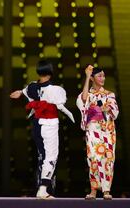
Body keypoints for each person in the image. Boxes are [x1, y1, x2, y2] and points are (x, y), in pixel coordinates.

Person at [10, 60, 74, 199]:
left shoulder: (32, 86)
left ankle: (41, 187)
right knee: (50, 157)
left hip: (37, 125)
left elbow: (25, 91)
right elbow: (60, 105)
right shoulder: (54, 89)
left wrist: (20, 93)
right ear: (50, 74)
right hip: (49, 124)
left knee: (42, 156)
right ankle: (46, 189)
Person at [76, 65, 118, 200]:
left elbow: (114, 110)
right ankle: (93, 190)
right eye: (99, 75)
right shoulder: (89, 94)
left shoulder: (109, 94)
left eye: (104, 75)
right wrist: (87, 76)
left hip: (107, 130)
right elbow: (83, 100)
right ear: (93, 78)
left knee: (108, 160)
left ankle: (106, 190)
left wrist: (105, 108)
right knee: (93, 159)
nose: (103, 78)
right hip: (93, 129)